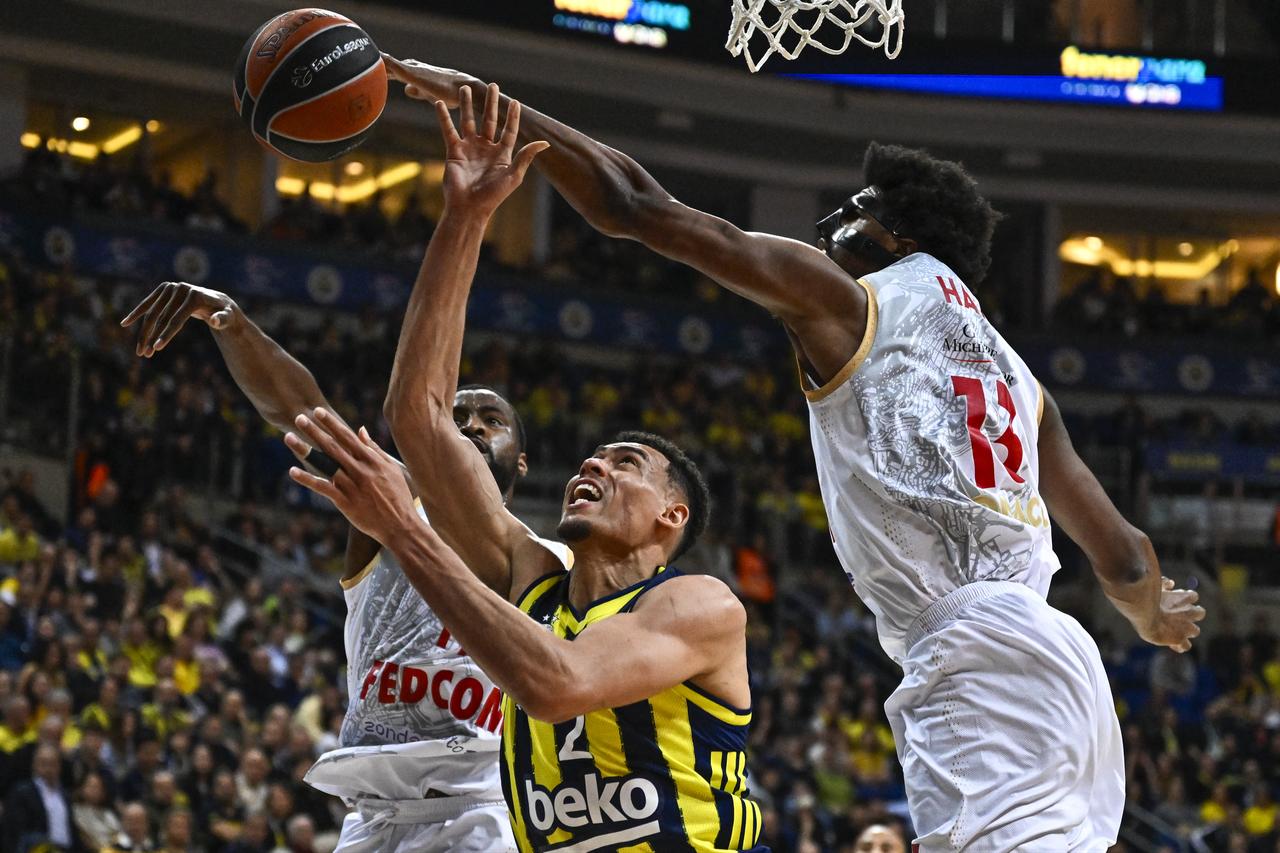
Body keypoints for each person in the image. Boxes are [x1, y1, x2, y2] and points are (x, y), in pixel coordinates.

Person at [382, 57, 1206, 850]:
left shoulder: (847, 302)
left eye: (851, 215)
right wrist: (1151, 614)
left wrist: (501, 114)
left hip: (973, 652)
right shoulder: (1025, 386)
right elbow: (1126, 556)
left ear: (895, 234)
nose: (830, 232)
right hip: (1064, 659)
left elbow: (637, 203)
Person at [285, 83, 761, 853]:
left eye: (626, 463)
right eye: (593, 455)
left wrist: (406, 530)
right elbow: (420, 417)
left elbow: (556, 685)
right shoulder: (530, 579)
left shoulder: (698, 604)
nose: (594, 464)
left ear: (672, 516)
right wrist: (467, 217)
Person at [120, 129, 568, 853]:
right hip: (370, 815)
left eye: (492, 420)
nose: (472, 427)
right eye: (457, 416)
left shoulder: (550, 560)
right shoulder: (389, 508)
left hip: (481, 809)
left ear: (520, 464)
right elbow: (307, 414)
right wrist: (228, 317)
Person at [4, 742, 82, 852]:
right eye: (43, 763)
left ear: (59, 766)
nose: (48, 769)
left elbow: (72, 833)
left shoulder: (65, 795)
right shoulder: (22, 792)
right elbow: (16, 832)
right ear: (34, 765)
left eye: (52, 764)